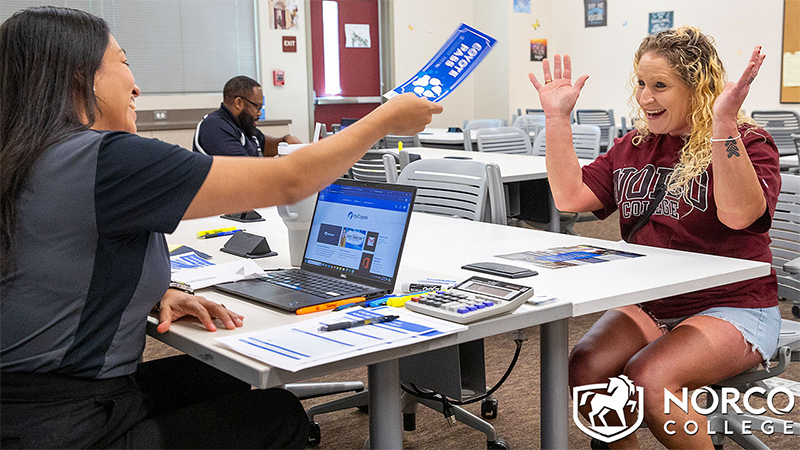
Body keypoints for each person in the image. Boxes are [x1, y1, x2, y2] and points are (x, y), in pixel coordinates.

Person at [0, 6, 441, 449]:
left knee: (222, 373)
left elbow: (44, 265)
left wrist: (156, 290)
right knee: (278, 414)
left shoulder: (22, 156)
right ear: (82, 77)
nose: (135, 85)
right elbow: (290, 180)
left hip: (24, 405)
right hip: (69, 425)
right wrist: (384, 119)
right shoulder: (106, 160)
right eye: (124, 61)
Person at [528, 26, 781, 449]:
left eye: (660, 86)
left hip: (735, 304)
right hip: (653, 302)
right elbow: (571, 196)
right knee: (587, 368)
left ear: (697, 88)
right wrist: (557, 118)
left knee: (650, 376)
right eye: (642, 84)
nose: (645, 97)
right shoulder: (635, 145)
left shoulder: (749, 142)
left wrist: (722, 123)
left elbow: (739, 217)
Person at [192, 75, 302, 157]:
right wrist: (288, 164)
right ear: (238, 103)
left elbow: (263, 145)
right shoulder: (215, 126)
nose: (259, 113)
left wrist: (284, 141)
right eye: (257, 107)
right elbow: (245, 170)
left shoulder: (242, 124)